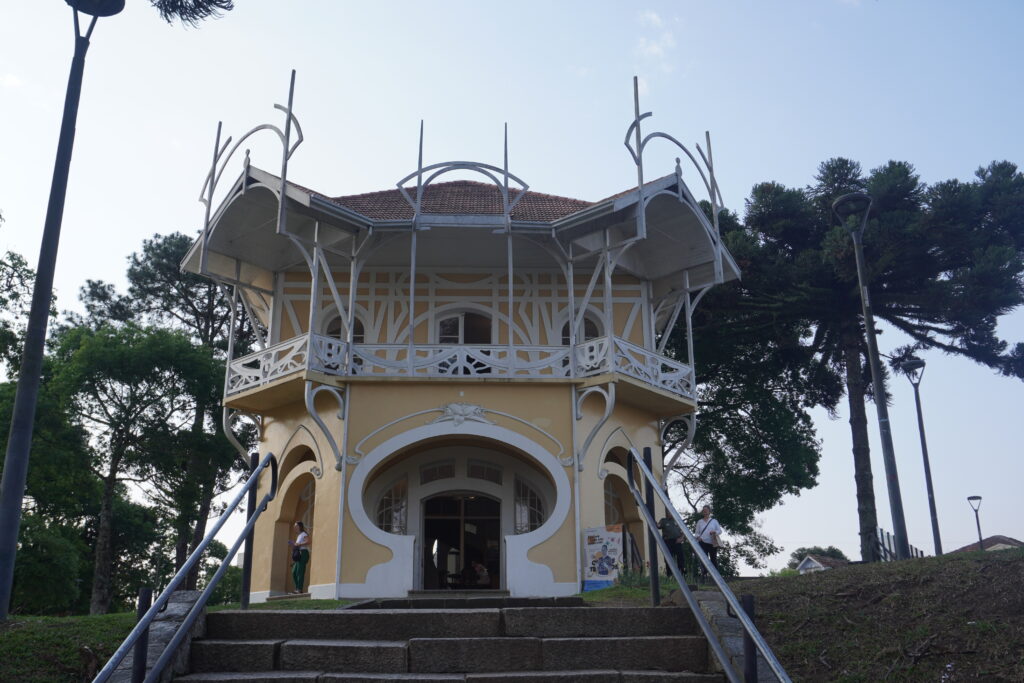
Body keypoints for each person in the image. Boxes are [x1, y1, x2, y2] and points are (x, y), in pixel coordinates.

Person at [695, 505, 722, 579]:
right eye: (704, 510)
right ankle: (704, 574)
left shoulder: (714, 521)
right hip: (702, 542)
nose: (705, 512)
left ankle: (716, 575)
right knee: (704, 558)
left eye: (706, 510)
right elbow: (696, 533)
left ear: (709, 512)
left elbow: (719, 531)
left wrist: (714, 532)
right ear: (702, 512)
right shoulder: (699, 522)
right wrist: (698, 537)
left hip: (712, 542)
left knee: (713, 558)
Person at [288, 521, 311, 594]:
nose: (294, 527)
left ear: (299, 526)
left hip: (303, 553)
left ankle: (299, 589)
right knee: (294, 571)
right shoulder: (299, 535)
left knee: (300, 572)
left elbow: (309, 541)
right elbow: (297, 545)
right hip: (299, 554)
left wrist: (299, 544)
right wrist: (294, 545)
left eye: (296, 526)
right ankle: (297, 588)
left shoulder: (304, 534)